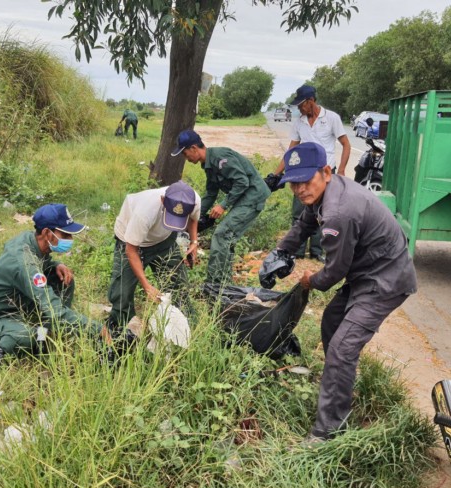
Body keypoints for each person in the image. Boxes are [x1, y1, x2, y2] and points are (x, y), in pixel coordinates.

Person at [263, 142, 416, 444]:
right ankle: (338, 384)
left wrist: (308, 280)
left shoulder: (338, 213)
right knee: (332, 320)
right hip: (366, 272)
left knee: (342, 348)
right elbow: (305, 223)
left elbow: (333, 273)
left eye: (306, 180)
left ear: (327, 172)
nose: (300, 189)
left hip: (384, 280)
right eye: (294, 183)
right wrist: (279, 251)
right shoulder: (322, 195)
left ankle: (327, 432)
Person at [0, 204, 109, 362]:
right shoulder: (25, 263)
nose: (70, 240)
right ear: (47, 232)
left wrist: (55, 265)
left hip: (13, 302)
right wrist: (97, 329)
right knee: (31, 337)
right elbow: (55, 310)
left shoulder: (31, 240)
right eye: (65, 235)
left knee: (63, 279)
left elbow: (38, 262)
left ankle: (52, 329)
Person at [172, 129, 271, 285]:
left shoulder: (220, 157)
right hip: (243, 197)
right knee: (226, 237)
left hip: (253, 196)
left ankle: (214, 284)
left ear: (193, 148)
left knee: (221, 233)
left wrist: (223, 205)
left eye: (185, 154)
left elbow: (242, 182)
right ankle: (223, 281)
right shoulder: (208, 165)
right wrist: (194, 216)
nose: (186, 158)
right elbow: (210, 194)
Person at [267, 84, 351, 261]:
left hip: (325, 173)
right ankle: (296, 252)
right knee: (299, 211)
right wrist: (276, 174)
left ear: (311, 101)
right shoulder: (299, 123)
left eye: (301, 104)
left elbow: (346, 144)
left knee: (323, 213)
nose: (299, 108)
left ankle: (316, 252)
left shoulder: (331, 118)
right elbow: (290, 152)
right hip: (303, 173)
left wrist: (342, 170)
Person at [106, 181, 200, 333]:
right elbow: (131, 250)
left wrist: (194, 242)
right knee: (121, 293)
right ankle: (122, 333)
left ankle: (184, 329)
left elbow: (194, 219)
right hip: (130, 240)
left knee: (178, 285)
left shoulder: (193, 200)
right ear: (163, 201)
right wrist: (146, 285)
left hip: (165, 242)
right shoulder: (144, 212)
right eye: (172, 216)